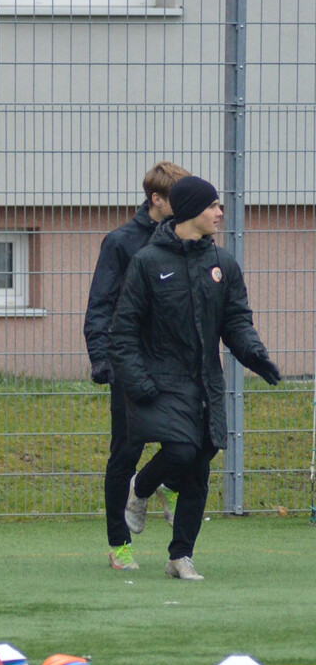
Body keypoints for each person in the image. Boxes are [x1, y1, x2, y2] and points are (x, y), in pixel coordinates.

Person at [110, 175, 280, 581]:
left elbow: (236, 321)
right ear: (190, 212)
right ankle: (141, 487)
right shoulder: (148, 263)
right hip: (160, 382)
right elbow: (123, 332)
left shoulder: (223, 263)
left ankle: (179, 556)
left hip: (205, 381)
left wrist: (256, 356)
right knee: (182, 451)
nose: (220, 212)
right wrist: (137, 381)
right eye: (213, 205)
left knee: (199, 467)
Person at [84, 161, 189, 571]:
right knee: (125, 452)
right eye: (177, 201)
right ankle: (119, 544)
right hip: (128, 366)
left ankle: (159, 485)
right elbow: (100, 305)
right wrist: (101, 360)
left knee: (188, 445)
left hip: (175, 365)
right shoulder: (121, 243)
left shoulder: (185, 241)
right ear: (156, 200)